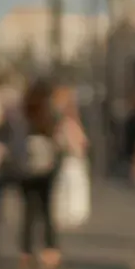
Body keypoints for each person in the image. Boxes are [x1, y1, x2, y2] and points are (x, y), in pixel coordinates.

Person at [18, 80, 61, 269]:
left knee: (28, 210)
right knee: (46, 210)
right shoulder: (48, 115)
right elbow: (57, 139)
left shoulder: (24, 114)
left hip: (26, 168)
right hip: (46, 168)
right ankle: (49, 251)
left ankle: (26, 253)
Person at [53, 87, 91, 230]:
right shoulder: (68, 123)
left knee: (71, 186)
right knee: (70, 186)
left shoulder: (68, 123)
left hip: (73, 158)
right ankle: (71, 213)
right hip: (72, 158)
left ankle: (73, 213)